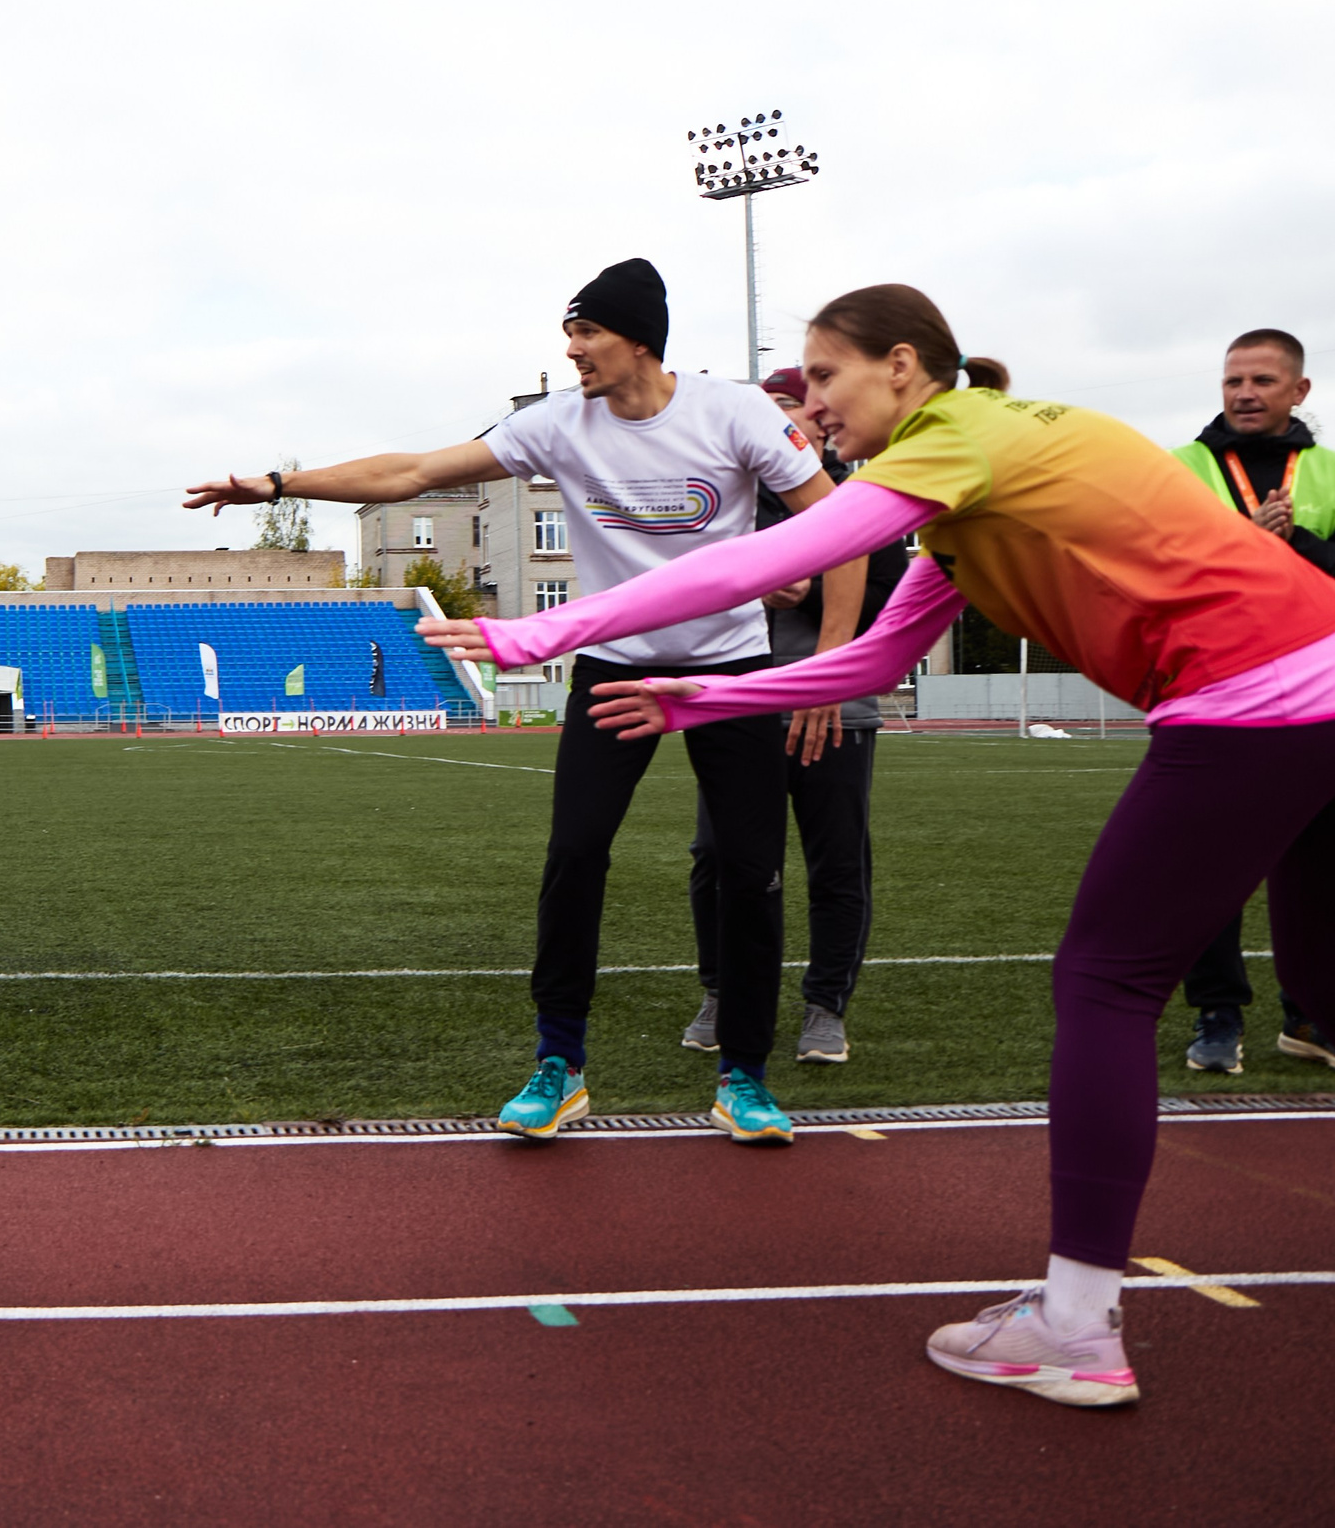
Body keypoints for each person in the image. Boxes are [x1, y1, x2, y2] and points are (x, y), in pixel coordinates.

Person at [422, 283, 1335, 1407]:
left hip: (1262, 699)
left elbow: (754, 564)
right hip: (1313, 683)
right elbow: (869, 663)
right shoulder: (970, 490)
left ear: (902, 366)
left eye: (825, 376)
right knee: (1321, 990)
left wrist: (541, 631)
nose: (809, 405)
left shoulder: (957, 439)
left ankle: (1076, 1326)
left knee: (1105, 982)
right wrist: (700, 700)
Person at [186, 258, 846, 1143]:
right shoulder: (558, 423)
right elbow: (413, 471)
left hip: (728, 672)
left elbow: (841, 527)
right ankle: (559, 1063)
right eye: (568, 334)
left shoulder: (735, 413)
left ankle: (746, 1077)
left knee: (751, 870)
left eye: (587, 332)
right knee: (575, 852)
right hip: (614, 667)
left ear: (639, 339)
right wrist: (277, 485)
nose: (572, 350)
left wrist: (830, 664)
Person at [683, 368, 908, 1065]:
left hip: (838, 713)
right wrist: (753, 592)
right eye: (766, 409)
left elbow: (891, 612)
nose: (776, 421)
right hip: (739, 712)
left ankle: (826, 1006)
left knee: (836, 864)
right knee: (716, 858)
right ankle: (722, 993)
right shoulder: (728, 505)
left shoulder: (865, 504)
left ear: (819, 418)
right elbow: (688, 597)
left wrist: (811, 593)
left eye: (789, 408)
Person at [1166, 329, 1335, 1073]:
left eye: (1263, 380)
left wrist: (1294, 542)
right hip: (1216, 694)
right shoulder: (1182, 468)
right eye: (1234, 379)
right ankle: (1218, 1015)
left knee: (1319, 870)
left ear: (1299, 390)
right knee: (1209, 868)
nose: (1244, 393)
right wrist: (1244, 540)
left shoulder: (1327, 471)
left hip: (1316, 699)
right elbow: (1162, 571)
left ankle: (1311, 1014)